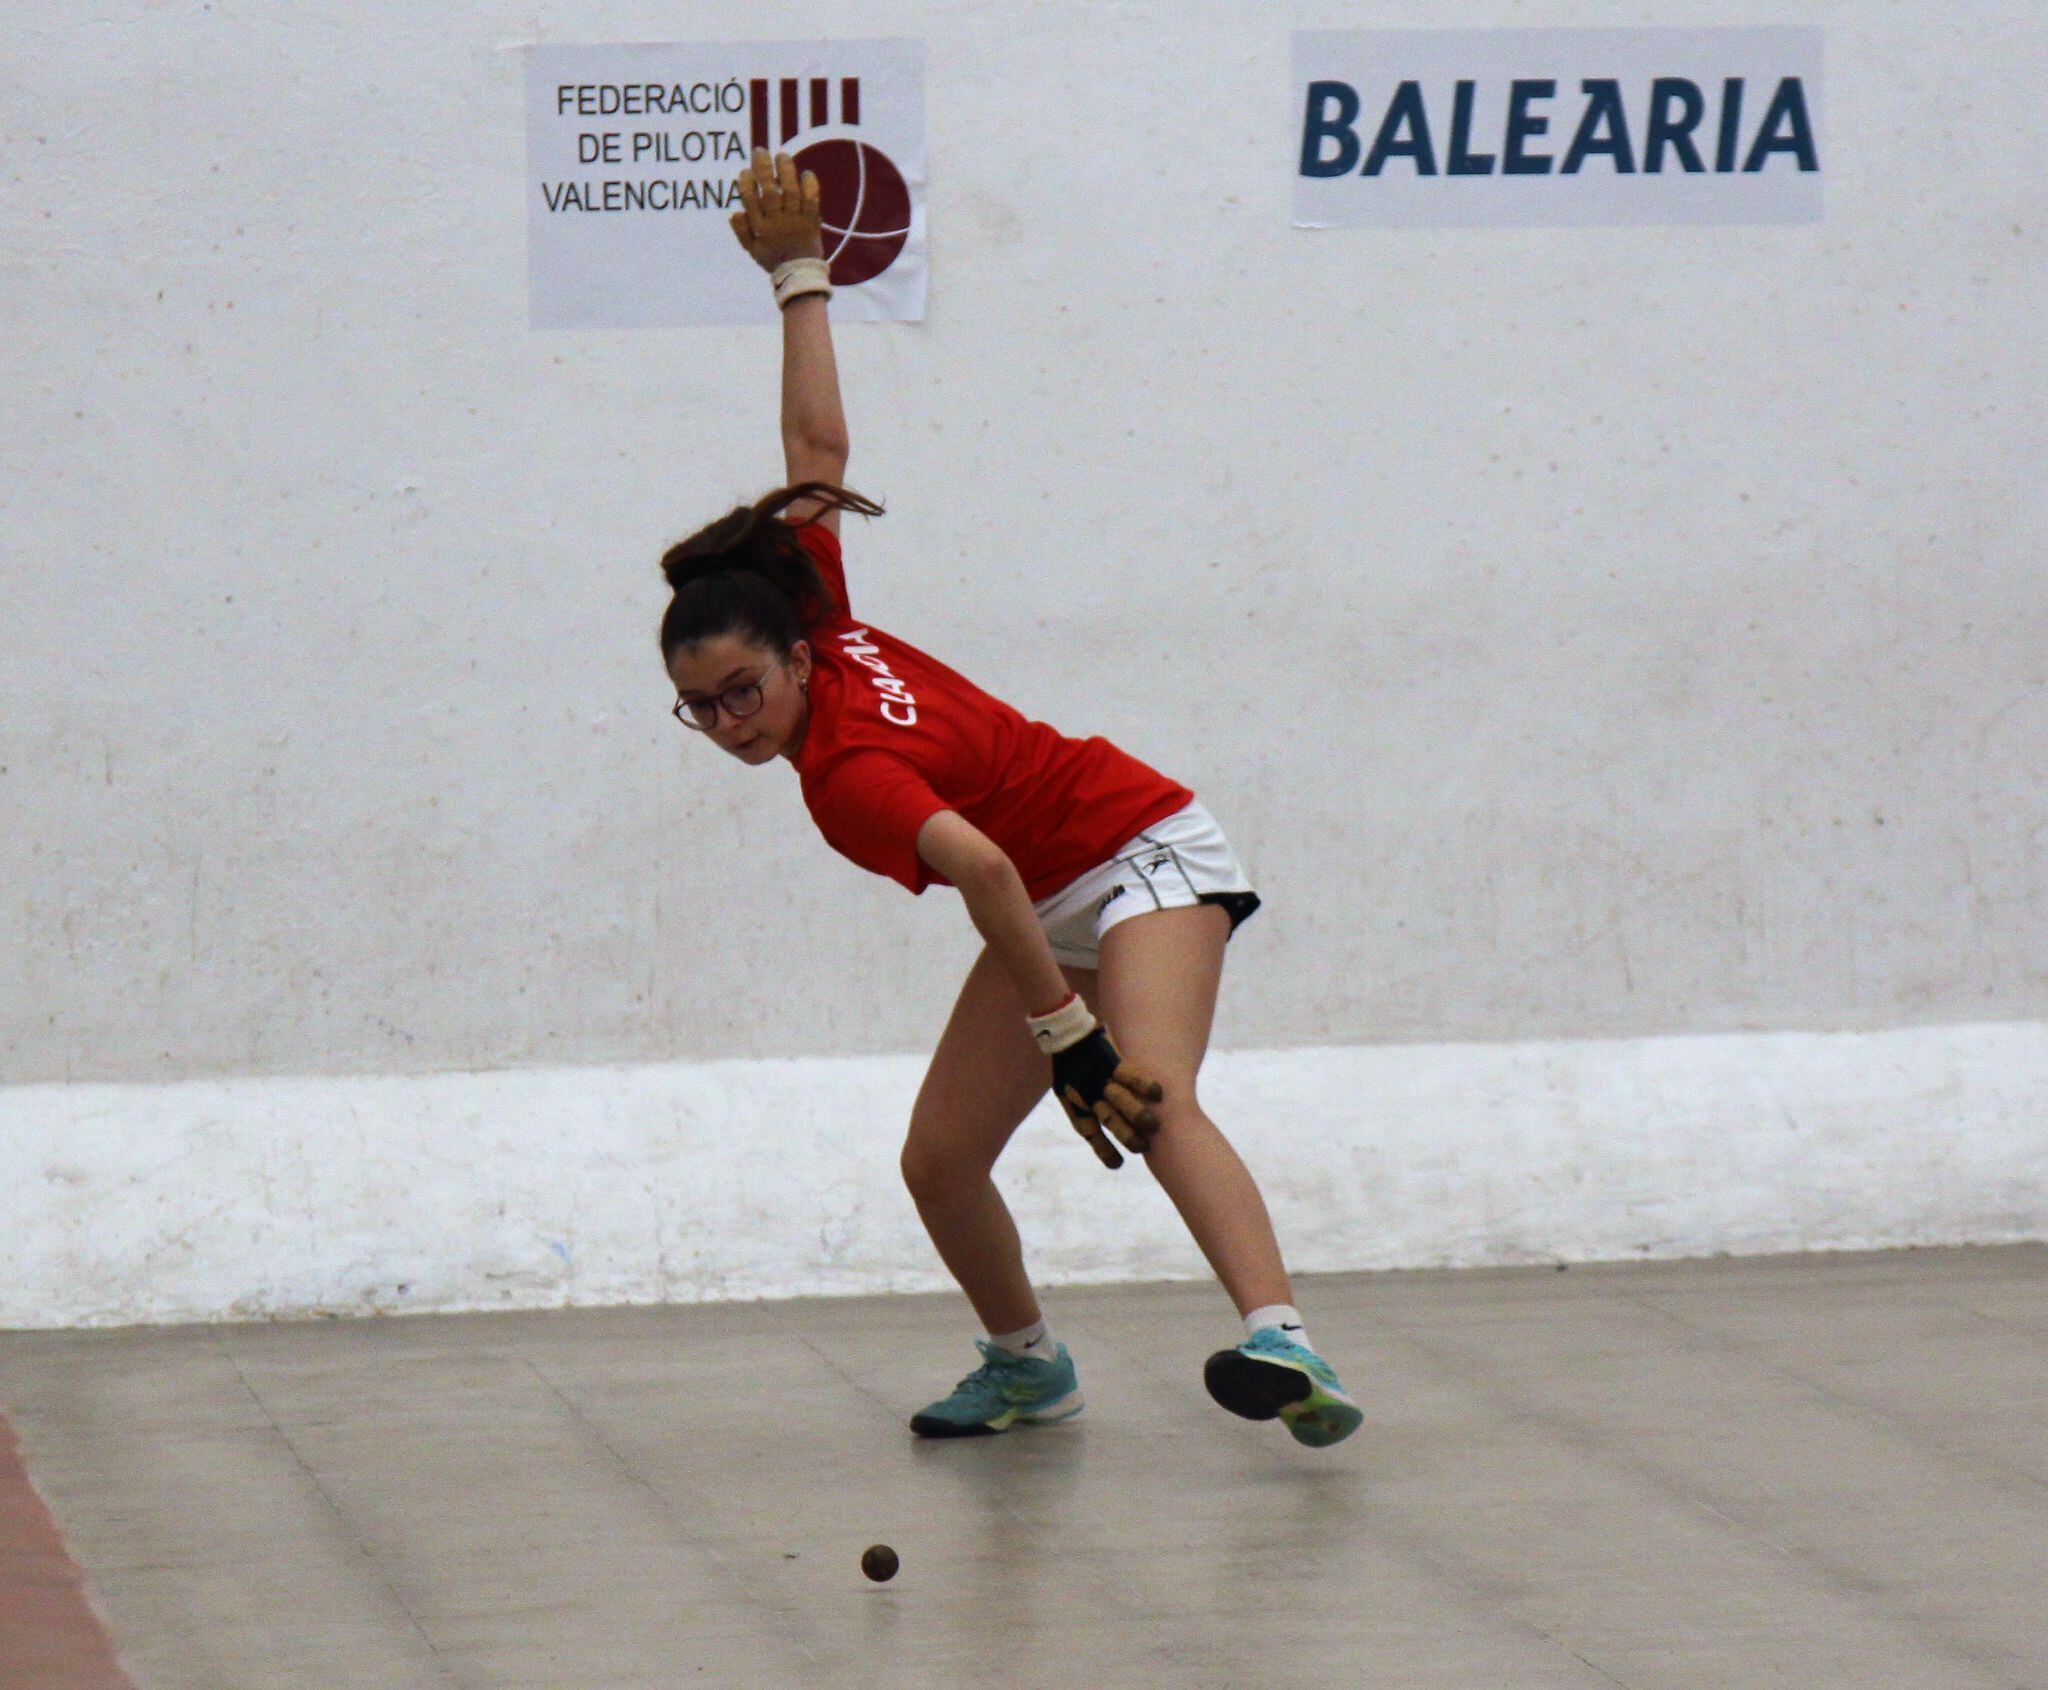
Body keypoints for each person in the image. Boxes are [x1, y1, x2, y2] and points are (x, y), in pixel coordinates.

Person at [657, 148, 1361, 1449]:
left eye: (740, 691)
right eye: (699, 709)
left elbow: (980, 869)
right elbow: (817, 447)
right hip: (1047, 895)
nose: (726, 724)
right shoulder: (815, 612)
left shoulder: (846, 779)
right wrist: (801, 275)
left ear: (797, 650)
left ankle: (1287, 1347)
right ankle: (1028, 1362)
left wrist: (1067, 1038)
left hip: (1141, 848)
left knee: (1150, 1087)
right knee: (937, 1157)